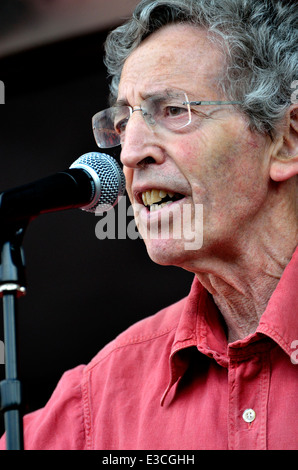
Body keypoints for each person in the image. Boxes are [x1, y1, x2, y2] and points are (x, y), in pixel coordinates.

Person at [1, 0, 298, 450]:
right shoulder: (98, 399)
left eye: (174, 110)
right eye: (122, 123)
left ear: (285, 140)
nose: (129, 152)